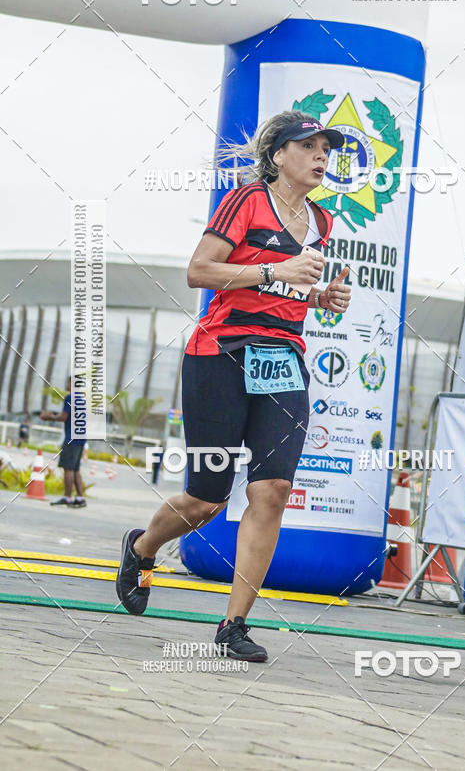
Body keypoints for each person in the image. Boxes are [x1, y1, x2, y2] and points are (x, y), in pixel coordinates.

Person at [116, 111, 352, 661]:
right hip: (220, 355)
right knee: (206, 499)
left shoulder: (322, 220)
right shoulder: (245, 201)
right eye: (308, 145)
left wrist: (321, 298)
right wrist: (276, 272)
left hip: (283, 358)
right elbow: (199, 271)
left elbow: (288, 291)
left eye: (326, 148)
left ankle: (234, 625)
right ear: (278, 156)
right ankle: (143, 547)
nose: (321, 155)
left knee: (272, 491)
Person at [41, 377, 87, 508]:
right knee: (76, 469)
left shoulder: (70, 397)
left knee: (68, 468)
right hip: (81, 437)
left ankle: (67, 497)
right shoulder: (82, 399)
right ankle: (80, 498)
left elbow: (63, 417)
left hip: (71, 438)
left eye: (67, 382)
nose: (66, 384)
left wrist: (49, 417)